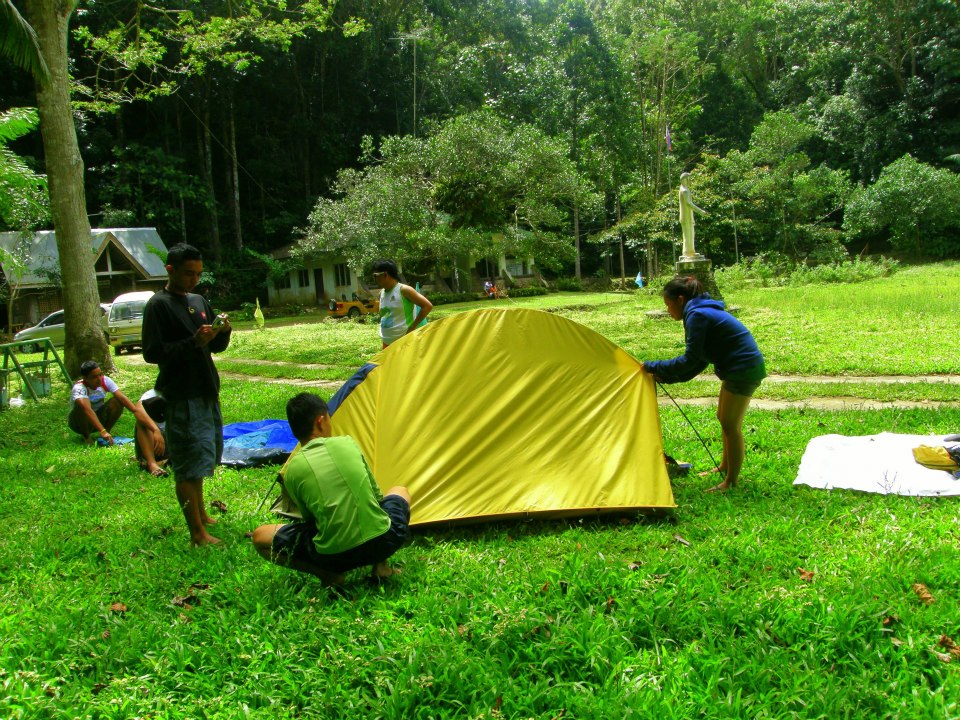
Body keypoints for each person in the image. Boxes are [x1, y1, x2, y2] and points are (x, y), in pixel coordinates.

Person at [251, 393, 412, 585]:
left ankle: (328, 574)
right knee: (400, 490)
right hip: (384, 542)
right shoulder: (348, 443)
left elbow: (311, 521)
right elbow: (376, 497)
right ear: (321, 421)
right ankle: (381, 567)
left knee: (260, 536)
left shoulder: (292, 470)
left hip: (332, 556)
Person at [142, 243, 231, 546]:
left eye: (198, 274)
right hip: (181, 393)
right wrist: (192, 342)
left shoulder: (198, 300)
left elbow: (214, 347)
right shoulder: (159, 305)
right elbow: (152, 353)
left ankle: (202, 514)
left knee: (202, 457)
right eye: (188, 274)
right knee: (187, 465)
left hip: (206, 388)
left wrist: (222, 332)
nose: (194, 280)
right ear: (170, 270)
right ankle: (197, 534)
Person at [644, 275, 766, 493]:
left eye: (668, 304)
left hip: (743, 368)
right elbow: (699, 361)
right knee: (724, 420)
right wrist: (669, 377)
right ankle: (723, 467)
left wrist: (651, 365)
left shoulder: (697, 315)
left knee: (731, 425)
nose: (667, 310)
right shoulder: (699, 311)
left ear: (680, 299)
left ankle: (731, 482)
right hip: (738, 368)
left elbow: (689, 360)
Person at [68, 360, 155, 446]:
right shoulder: (79, 388)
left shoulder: (105, 381)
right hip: (79, 423)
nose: (99, 379)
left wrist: (145, 420)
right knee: (80, 407)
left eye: (100, 374)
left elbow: (122, 398)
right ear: (85, 378)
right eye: (94, 377)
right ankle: (87, 437)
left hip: (98, 416)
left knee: (117, 401)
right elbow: (87, 410)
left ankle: (106, 434)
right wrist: (102, 430)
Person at [372, 259, 432, 347]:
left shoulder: (404, 290)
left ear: (385, 274)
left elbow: (427, 306)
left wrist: (412, 328)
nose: (374, 278)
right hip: (387, 341)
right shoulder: (382, 293)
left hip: (404, 342)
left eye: (375, 275)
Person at [134, 389, 168, 477]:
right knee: (141, 421)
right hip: (152, 441)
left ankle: (166, 461)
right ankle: (152, 464)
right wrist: (155, 430)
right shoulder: (152, 394)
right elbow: (138, 410)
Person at [678, 172, 708, 259]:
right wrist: (700, 211)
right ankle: (688, 252)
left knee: (689, 233)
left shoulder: (683, 189)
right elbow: (689, 204)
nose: (689, 181)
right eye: (688, 179)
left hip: (687, 215)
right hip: (686, 216)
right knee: (688, 233)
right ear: (684, 180)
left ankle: (690, 251)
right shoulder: (685, 191)